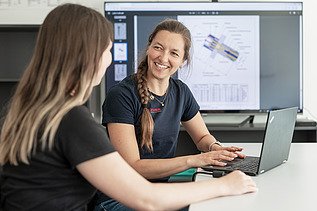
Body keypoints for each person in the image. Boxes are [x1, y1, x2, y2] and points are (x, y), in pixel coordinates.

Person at [0, 4, 257, 211]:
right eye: (108, 49)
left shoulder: (27, 109)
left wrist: (213, 151)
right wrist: (226, 185)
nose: (109, 59)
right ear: (88, 55)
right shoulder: (71, 120)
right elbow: (146, 199)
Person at [96, 19, 251, 210]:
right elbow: (133, 166)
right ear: (149, 47)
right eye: (158, 48)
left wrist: (215, 149)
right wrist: (194, 160)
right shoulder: (121, 95)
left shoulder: (181, 92)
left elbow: (202, 137)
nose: (163, 58)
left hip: (158, 193)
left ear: (183, 60)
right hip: (119, 198)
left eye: (174, 53)